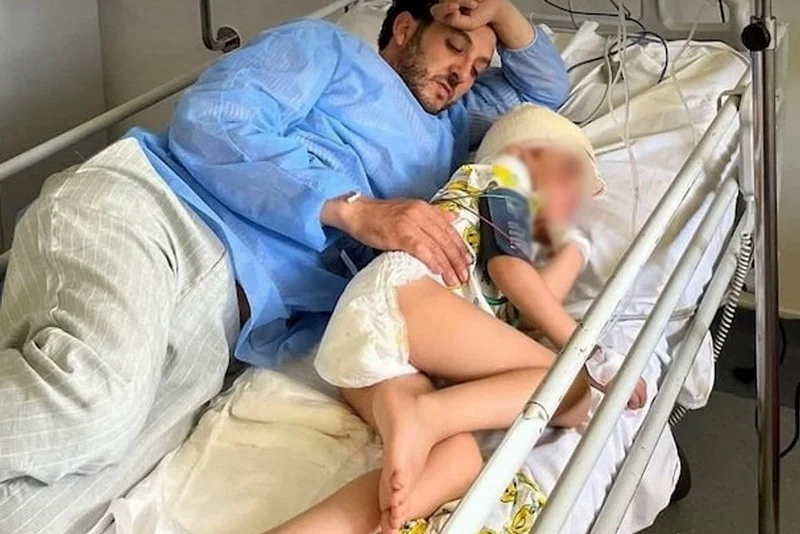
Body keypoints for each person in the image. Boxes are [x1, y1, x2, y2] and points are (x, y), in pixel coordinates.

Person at [0, 1, 568, 532]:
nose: (463, 74)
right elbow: (214, 120)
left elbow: (546, 90)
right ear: (404, 28)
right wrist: (353, 209)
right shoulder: (327, 50)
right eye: (454, 47)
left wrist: (500, 8)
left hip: (227, 323)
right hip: (161, 216)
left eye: (477, 69)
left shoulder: (454, 124)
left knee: (45, 513)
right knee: (92, 405)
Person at [270, 104, 645, 534]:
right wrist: (591, 354)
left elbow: (533, 308)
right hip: (407, 296)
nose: (576, 204)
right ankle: (428, 415)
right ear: (528, 153)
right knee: (572, 389)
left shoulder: (512, 237)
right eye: (574, 178)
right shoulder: (500, 183)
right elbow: (512, 274)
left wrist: (572, 251)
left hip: (366, 346)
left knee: (457, 460)